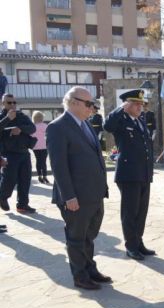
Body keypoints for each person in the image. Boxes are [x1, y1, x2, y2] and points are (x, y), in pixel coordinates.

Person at [47, 86, 110, 290]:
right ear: (73, 102)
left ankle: (90, 269)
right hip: (75, 197)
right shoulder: (58, 127)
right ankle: (80, 276)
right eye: (88, 104)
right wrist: (69, 196)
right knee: (76, 238)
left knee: (89, 236)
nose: (92, 108)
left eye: (93, 104)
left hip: (93, 194)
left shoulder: (86, 125)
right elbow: (59, 166)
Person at [104, 89, 155, 261]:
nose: (141, 107)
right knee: (130, 212)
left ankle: (138, 242)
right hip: (129, 174)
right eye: (137, 104)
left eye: (141, 104)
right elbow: (107, 126)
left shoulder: (140, 120)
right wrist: (120, 109)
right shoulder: (120, 120)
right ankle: (131, 246)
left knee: (141, 211)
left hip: (144, 173)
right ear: (127, 104)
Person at [0, 93, 36, 213]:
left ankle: (22, 205)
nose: (12, 105)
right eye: (9, 102)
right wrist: (8, 120)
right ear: (3, 104)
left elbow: (32, 128)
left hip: (24, 153)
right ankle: (3, 198)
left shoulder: (21, 115)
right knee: (9, 180)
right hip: (9, 153)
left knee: (25, 180)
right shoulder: (2, 116)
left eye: (14, 102)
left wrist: (20, 129)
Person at [30, 111, 50, 184]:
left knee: (38, 161)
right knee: (43, 161)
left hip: (35, 146)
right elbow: (48, 135)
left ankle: (39, 176)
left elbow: (30, 136)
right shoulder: (45, 125)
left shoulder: (32, 126)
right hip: (44, 146)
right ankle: (45, 176)